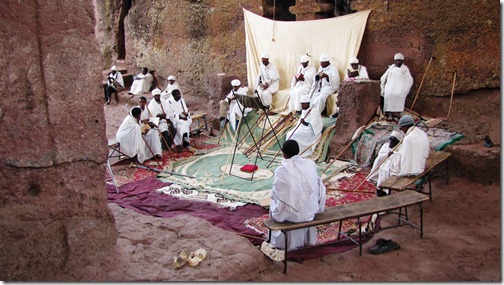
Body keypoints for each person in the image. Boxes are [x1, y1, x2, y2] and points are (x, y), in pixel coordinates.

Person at [266, 139, 326, 252]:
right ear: (298, 151)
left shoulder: (281, 170)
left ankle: (276, 240)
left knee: (273, 197)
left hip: (291, 216)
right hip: (309, 213)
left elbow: (278, 194)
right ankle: (306, 240)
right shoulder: (310, 164)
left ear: (284, 154)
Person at [375, 115, 430, 196]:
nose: (401, 129)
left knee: (385, 167)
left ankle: (382, 191)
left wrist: (393, 154)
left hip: (414, 168)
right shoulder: (421, 133)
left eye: (402, 127)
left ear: (405, 126)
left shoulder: (408, 139)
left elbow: (404, 159)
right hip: (421, 162)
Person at [367, 130, 404, 195]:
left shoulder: (401, 148)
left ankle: (387, 189)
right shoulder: (385, 146)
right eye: (390, 139)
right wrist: (388, 154)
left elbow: (399, 158)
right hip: (384, 164)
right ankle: (380, 188)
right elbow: (381, 155)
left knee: (387, 171)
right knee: (382, 170)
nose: (391, 142)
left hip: (393, 167)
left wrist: (393, 154)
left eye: (394, 140)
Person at [380, 53, 414, 121]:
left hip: (400, 89)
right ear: (394, 61)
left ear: (402, 61)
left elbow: (410, 79)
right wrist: (382, 89)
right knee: (389, 98)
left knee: (399, 100)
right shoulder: (391, 68)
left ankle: (396, 115)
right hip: (390, 88)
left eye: (400, 61)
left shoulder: (405, 69)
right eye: (397, 60)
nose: (398, 62)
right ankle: (389, 115)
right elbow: (383, 78)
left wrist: (405, 89)